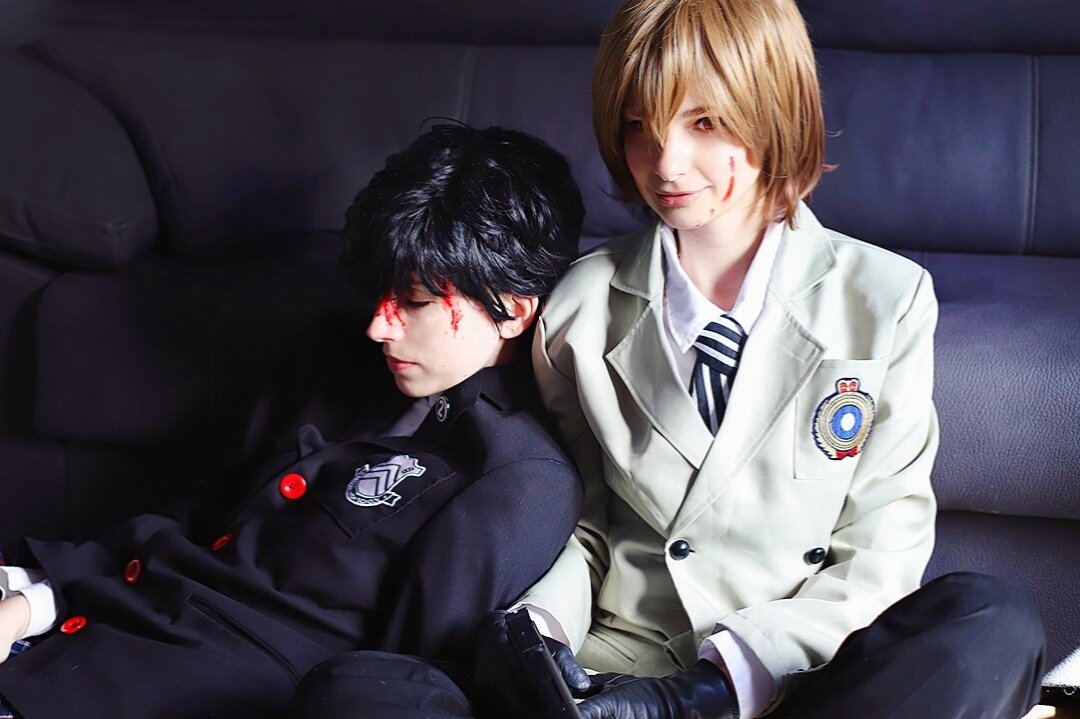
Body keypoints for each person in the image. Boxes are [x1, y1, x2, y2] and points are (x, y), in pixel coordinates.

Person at [474, 1, 1047, 718]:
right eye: (638, 125)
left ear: (774, 114)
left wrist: (717, 686)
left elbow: (880, 550)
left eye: (704, 122)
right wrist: (539, 633)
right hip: (623, 678)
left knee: (995, 620)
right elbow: (578, 524)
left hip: (807, 676)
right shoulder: (578, 307)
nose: (666, 163)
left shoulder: (886, 298)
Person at [0, 123, 585, 719]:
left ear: (513, 311)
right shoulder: (338, 358)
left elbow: (396, 690)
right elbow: (201, 515)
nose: (379, 326)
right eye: (381, 293)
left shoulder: (516, 479)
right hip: (65, 630)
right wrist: (33, 602)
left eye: (414, 302)